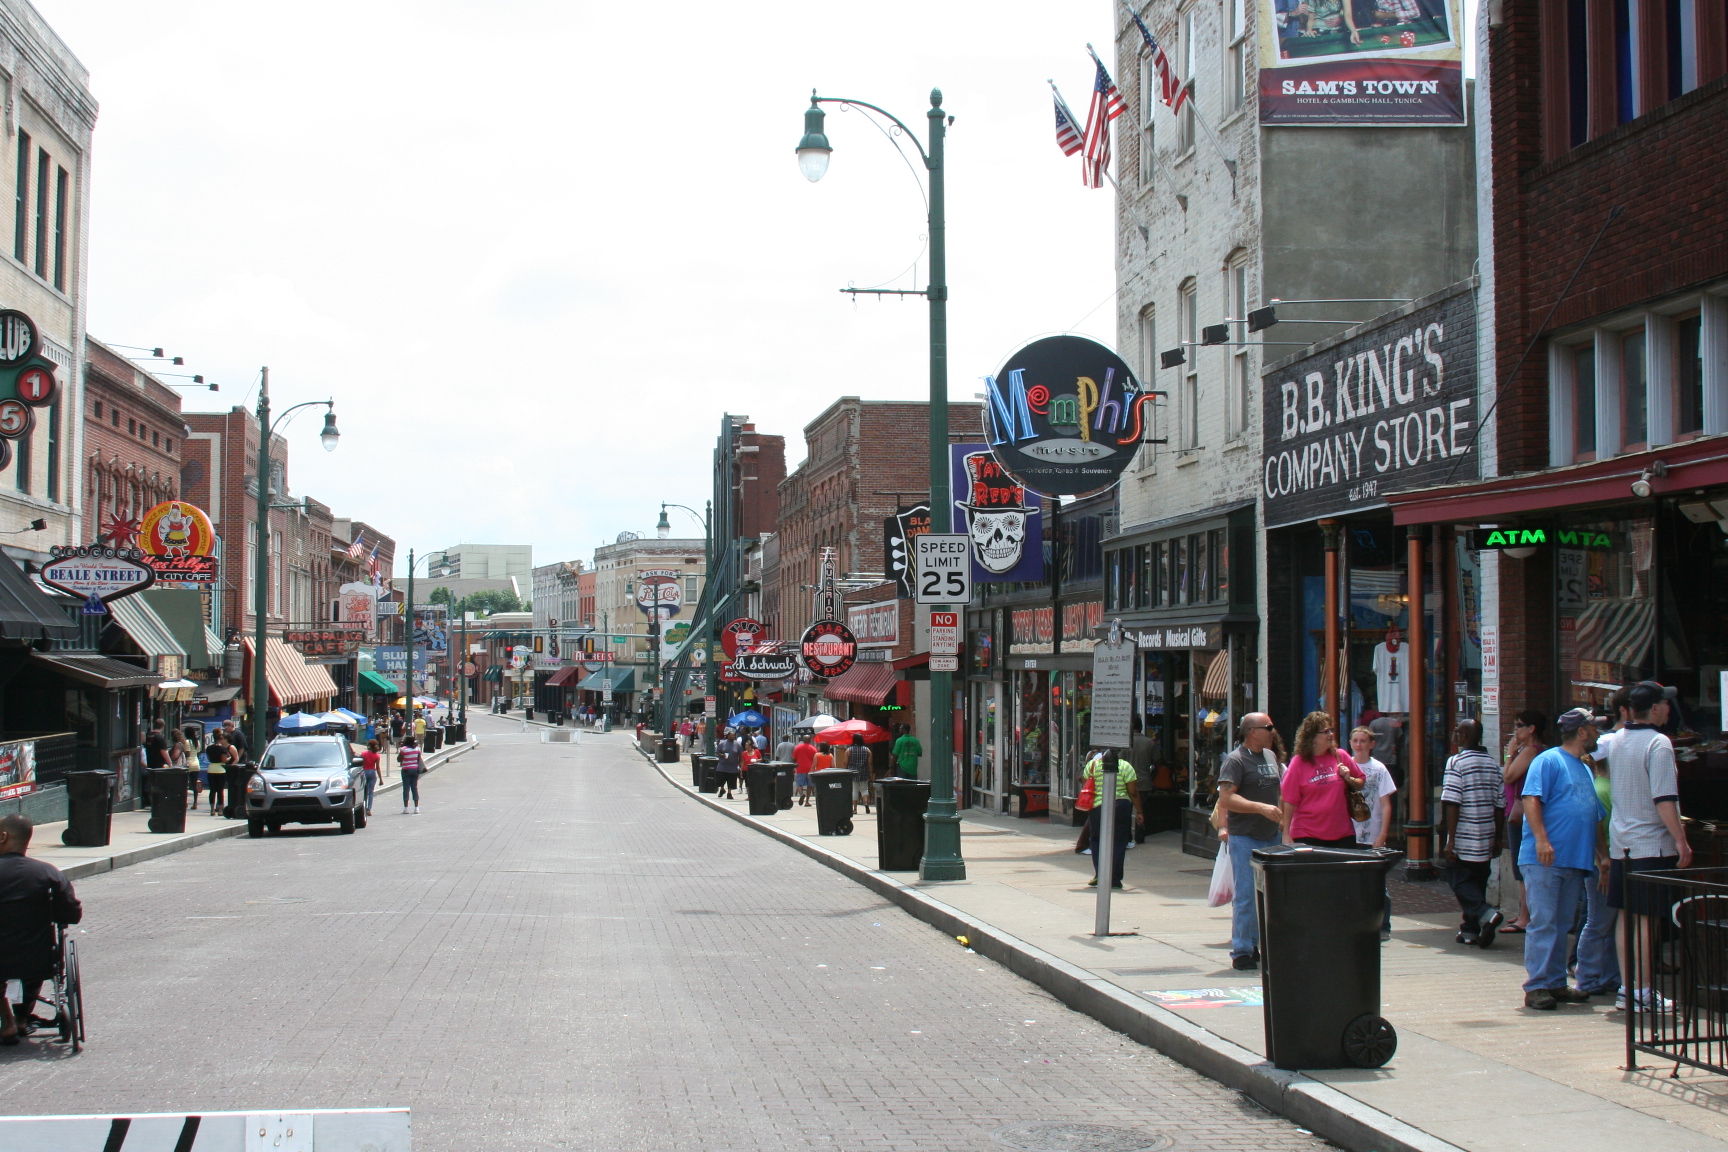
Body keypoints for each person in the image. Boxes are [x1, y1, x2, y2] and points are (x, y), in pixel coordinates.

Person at [1605, 680, 1692, 1013]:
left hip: (1621, 843)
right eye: (1665, 703)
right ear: (1655, 709)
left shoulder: (1615, 740)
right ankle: (1640, 991)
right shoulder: (1659, 743)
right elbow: (1664, 798)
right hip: (1651, 844)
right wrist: (1681, 840)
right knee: (1646, 919)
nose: (1669, 708)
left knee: (1627, 917)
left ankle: (1629, 989)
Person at [1518, 708, 1607, 1009]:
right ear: (1581, 732)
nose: (1598, 734)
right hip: (1546, 857)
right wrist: (1542, 840)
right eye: (1594, 728)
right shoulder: (1549, 760)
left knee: (1561, 922)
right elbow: (1531, 798)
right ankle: (1537, 985)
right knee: (1544, 920)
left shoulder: (1583, 767)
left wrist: (1602, 856)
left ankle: (1555, 982)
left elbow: (1593, 816)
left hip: (1574, 859)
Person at [0, 815, 83, 1044]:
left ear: (3, 836)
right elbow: (71, 914)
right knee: (35, 954)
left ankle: (6, 1020)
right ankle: (22, 1018)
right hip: (37, 957)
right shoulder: (48, 873)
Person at [1216, 713, 1285, 970]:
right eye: (1268, 727)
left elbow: (1278, 792)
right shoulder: (1235, 760)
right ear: (1252, 732)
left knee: (1267, 895)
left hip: (1271, 835)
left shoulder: (1270, 756)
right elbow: (1226, 798)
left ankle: (1257, 943)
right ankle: (1242, 950)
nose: (1272, 731)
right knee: (1245, 894)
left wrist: (1279, 818)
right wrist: (1260, 808)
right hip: (1245, 836)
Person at [1439, 718, 1505, 947]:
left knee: (1458, 879)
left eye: (1458, 732)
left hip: (1465, 836)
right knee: (1477, 883)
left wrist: (1450, 840)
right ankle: (1470, 930)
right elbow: (1500, 805)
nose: (1454, 735)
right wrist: (1497, 838)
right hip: (1485, 834)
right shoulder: (1492, 764)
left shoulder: (1456, 762)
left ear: (1465, 737)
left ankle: (1486, 913)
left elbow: (1452, 802)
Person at [1280, 711, 1364, 847]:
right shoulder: (1299, 762)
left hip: (1343, 833)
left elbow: (1361, 783)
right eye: (1325, 731)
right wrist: (1286, 834)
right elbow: (1289, 800)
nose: (1331, 734)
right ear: (1312, 737)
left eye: (1331, 730)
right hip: (1307, 834)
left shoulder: (1340, 756)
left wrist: (1349, 778)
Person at [1499, 710, 1547, 934]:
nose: (1515, 730)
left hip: (1519, 813)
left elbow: (1508, 776)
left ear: (1531, 729)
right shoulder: (1533, 751)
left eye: (1519, 725)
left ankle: (1525, 917)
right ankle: (1524, 912)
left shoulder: (1530, 751)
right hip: (1519, 811)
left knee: (1521, 865)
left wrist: (1509, 754)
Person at [1349, 725, 1398, 940]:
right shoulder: (1343, 767)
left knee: (1377, 881)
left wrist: (1383, 833)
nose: (1359, 745)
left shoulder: (1379, 769)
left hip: (1372, 832)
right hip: (1350, 832)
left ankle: (1383, 924)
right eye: (1355, 741)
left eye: (1363, 741)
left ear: (1372, 745)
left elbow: (1386, 803)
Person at [1081, 748, 1143, 890]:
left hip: (1098, 806)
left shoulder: (1092, 765)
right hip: (1121, 806)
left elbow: (1086, 784)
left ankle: (1100, 873)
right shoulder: (1125, 766)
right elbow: (1133, 792)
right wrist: (1139, 811)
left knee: (1096, 840)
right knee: (1119, 842)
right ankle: (1114, 878)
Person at [204, 731, 232, 817]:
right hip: (220, 770)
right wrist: (230, 757)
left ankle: (212, 810)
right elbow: (224, 760)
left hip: (211, 769)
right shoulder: (222, 749)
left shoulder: (209, 748)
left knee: (212, 791)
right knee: (220, 791)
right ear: (220, 739)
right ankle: (220, 810)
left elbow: (209, 758)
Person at [845, 735, 874, 814]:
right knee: (864, 789)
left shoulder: (849, 750)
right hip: (864, 771)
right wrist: (870, 772)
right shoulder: (867, 750)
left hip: (853, 772)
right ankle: (866, 803)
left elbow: (845, 762)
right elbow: (870, 763)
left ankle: (855, 808)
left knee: (854, 790)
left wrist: (844, 770)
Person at [183, 724, 206, 811]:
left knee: (185, 784)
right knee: (194, 784)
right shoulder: (197, 742)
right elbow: (198, 752)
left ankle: (185, 803)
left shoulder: (187, 742)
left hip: (189, 763)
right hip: (196, 763)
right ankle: (195, 803)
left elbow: (188, 754)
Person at [714, 728, 742, 799]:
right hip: (723, 765)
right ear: (728, 736)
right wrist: (722, 755)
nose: (733, 737)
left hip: (733, 766)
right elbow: (717, 752)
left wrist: (740, 763)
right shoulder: (722, 743)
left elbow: (741, 754)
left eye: (734, 736)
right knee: (721, 779)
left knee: (731, 780)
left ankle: (729, 793)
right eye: (732, 735)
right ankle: (722, 789)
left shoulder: (737, 745)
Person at [398, 736, 424, 814]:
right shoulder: (417, 749)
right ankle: (416, 808)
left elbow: (399, 759)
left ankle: (406, 808)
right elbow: (418, 759)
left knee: (406, 789)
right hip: (415, 770)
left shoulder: (403, 750)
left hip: (406, 770)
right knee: (414, 788)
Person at [793, 735, 817, 806]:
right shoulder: (813, 749)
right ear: (810, 740)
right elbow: (816, 759)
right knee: (810, 785)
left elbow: (794, 758)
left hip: (800, 768)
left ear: (803, 740)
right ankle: (807, 801)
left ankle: (801, 794)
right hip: (810, 769)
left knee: (799, 784)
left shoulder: (797, 748)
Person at [360, 739, 382, 815]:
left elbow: (360, 764)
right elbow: (378, 768)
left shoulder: (363, 754)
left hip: (364, 772)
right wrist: (381, 779)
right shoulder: (377, 756)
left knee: (364, 792)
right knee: (371, 792)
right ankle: (368, 809)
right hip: (372, 772)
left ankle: (363, 807)